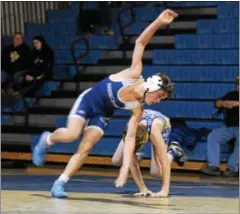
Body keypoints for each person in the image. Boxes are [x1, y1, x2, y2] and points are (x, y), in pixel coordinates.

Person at [32, 9, 178, 198]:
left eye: (162, 99)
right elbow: (141, 42)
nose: (158, 101)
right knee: (71, 134)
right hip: (89, 100)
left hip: (103, 113)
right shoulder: (134, 74)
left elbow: (131, 139)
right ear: (153, 85)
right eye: (160, 96)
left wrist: (124, 169)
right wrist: (158, 22)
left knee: (86, 147)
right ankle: (47, 140)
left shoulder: (138, 109)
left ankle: (60, 183)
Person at [112, 109, 187, 197]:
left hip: (160, 127)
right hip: (139, 128)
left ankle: (173, 151)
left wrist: (164, 190)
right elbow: (133, 164)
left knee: (156, 172)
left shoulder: (154, 134)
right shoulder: (130, 130)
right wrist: (143, 189)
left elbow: (165, 162)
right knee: (116, 160)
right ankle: (137, 156)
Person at [201, 76, 239, 177]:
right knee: (214, 136)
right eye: (238, 84)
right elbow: (216, 103)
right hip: (229, 127)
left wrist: (237, 104)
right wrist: (223, 103)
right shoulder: (232, 94)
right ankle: (214, 166)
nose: (239, 86)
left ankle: (233, 168)